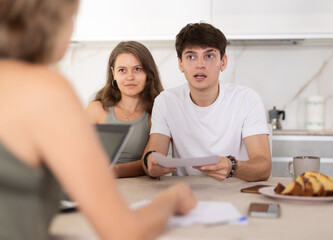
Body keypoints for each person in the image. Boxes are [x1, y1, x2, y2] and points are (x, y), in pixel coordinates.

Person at [0, 0, 196, 239]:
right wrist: (172, 198)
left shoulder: (159, 108)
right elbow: (124, 232)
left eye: (137, 69)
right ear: (51, 26)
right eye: (70, 18)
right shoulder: (47, 89)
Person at [142, 23, 272, 182]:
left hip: (236, 193)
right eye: (191, 56)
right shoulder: (166, 101)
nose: (200, 64)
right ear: (180, 64)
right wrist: (151, 164)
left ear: (223, 62)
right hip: (185, 194)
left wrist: (232, 167)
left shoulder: (247, 99)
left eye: (209, 56)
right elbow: (153, 155)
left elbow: (264, 167)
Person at [86, 41, 163, 178]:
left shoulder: (157, 113)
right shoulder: (96, 110)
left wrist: (114, 171)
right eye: (122, 70)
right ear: (113, 73)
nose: (130, 77)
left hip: (141, 187)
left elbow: (150, 162)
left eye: (137, 69)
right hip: (98, 183)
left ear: (148, 73)